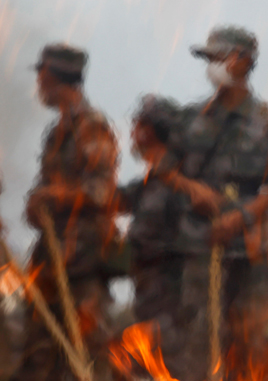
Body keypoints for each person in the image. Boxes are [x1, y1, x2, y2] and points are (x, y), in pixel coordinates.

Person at [149, 25, 268, 380]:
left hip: (250, 251)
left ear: (243, 62)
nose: (211, 66)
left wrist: (241, 217)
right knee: (199, 340)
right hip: (200, 247)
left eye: (218, 57)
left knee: (251, 341)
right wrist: (190, 188)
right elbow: (163, 167)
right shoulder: (192, 119)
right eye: (208, 59)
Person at [13, 43, 122, 380]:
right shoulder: (55, 134)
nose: (38, 84)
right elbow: (50, 194)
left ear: (56, 77)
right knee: (38, 355)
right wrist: (37, 205)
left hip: (83, 264)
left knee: (82, 356)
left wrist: (53, 195)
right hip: (51, 259)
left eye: (41, 75)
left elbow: (103, 191)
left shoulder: (92, 126)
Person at [116, 95, 189, 378]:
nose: (131, 134)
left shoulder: (178, 184)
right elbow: (115, 200)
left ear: (149, 131)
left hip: (173, 314)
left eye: (136, 126)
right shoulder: (152, 182)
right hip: (151, 305)